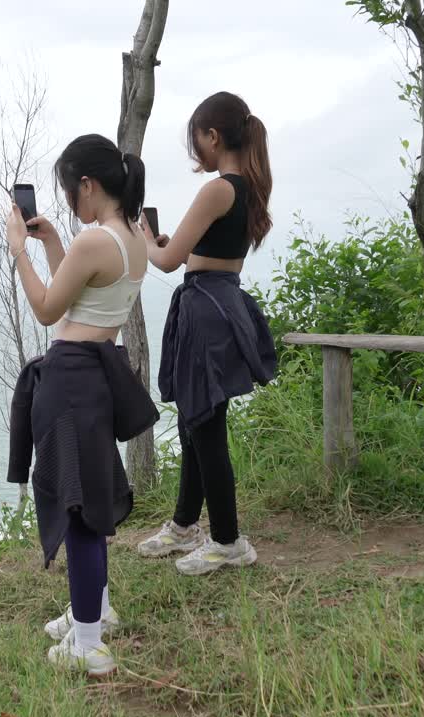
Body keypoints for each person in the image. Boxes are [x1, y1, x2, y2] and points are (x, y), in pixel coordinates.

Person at [4, 134, 159, 676]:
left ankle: (89, 645)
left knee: (79, 510)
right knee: (89, 497)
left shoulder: (96, 241)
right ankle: (93, 609)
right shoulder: (133, 236)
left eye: (70, 194)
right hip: (96, 370)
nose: (71, 204)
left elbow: (49, 309)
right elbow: (87, 292)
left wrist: (19, 251)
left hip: (71, 377)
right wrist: (51, 246)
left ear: (88, 185)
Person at [136, 91, 278, 576]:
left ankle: (227, 540)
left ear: (213, 136)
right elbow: (189, 248)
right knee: (197, 421)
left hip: (205, 306)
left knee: (206, 427)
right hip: (223, 299)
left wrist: (142, 239)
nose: (197, 152)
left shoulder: (219, 189)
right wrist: (164, 241)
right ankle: (183, 526)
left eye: (197, 140)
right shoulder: (249, 187)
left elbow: (169, 259)